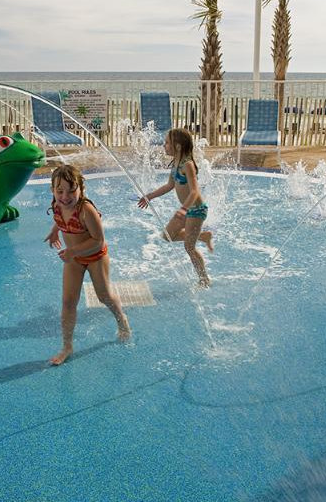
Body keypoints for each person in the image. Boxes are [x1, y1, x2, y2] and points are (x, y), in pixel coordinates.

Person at [44, 165, 131, 365]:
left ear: (81, 189)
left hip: (95, 257)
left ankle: (121, 320)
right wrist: (55, 230)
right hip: (74, 259)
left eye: (71, 190)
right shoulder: (58, 205)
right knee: (67, 302)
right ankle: (67, 346)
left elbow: (98, 240)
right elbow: (61, 217)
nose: (65, 196)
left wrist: (73, 251)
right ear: (53, 191)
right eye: (60, 191)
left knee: (104, 296)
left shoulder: (86, 210)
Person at [137, 128, 214, 287]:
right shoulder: (175, 164)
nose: (164, 146)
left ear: (178, 146)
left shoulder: (188, 165)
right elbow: (169, 186)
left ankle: (204, 278)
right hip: (187, 210)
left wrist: (184, 209)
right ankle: (203, 236)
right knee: (168, 236)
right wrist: (149, 196)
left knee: (189, 247)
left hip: (196, 210)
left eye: (167, 143)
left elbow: (194, 191)